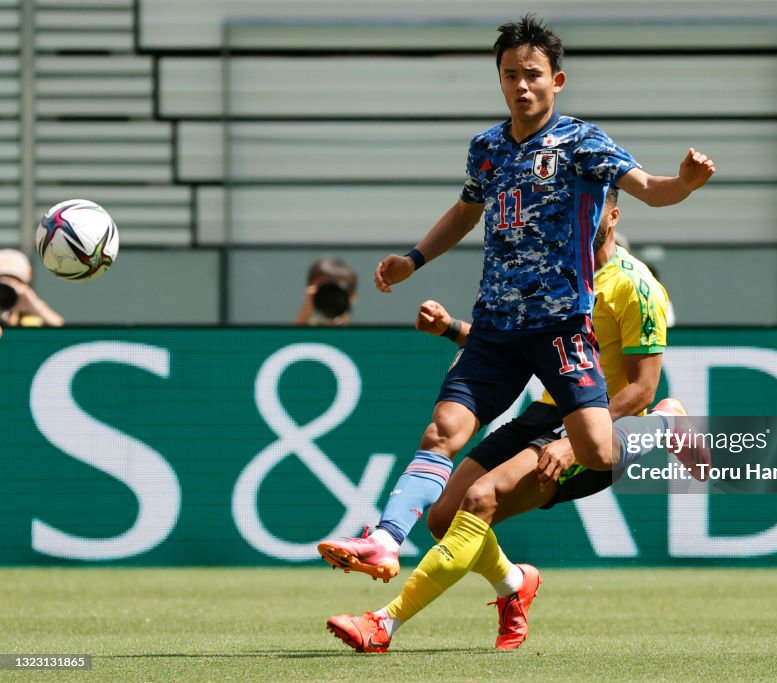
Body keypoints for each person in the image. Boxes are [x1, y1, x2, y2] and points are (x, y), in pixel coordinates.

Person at [320, 15, 715, 589]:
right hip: (496, 327)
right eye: (510, 76)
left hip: (560, 325)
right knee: (442, 433)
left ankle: (661, 426)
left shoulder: (583, 141)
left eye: (532, 75)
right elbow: (464, 211)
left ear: (557, 80)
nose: (521, 86)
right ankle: (384, 539)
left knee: (598, 451)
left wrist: (685, 183)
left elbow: (651, 188)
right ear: (499, 80)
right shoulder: (486, 149)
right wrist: (414, 258)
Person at [321, 189, 710, 652]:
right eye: (573, 204)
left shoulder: (634, 286)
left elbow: (641, 389)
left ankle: (384, 624)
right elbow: (514, 352)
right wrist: (453, 329)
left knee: (480, 499)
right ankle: (513, 584)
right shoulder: (553, 276)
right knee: (445, 519)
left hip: (596, 426)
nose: (578, 214)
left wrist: (572, 444)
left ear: (613, 215)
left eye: (592, 205)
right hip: (547, 411)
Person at [0, 248, 64, 330]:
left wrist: (34, 305)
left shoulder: (33, 320)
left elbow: (62, 331)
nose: (6, 291)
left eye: (15, 282)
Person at [293, 257, 358, 327]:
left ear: (352, 296)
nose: (330, 297)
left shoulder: (363, 333)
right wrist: (304, 315)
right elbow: (290, 337)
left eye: (335, 291)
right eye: (324, 289)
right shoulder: (307, 330)